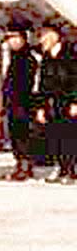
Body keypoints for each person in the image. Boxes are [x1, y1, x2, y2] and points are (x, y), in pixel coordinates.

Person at [37, 24, 77, 181]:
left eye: (44, 36)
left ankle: (70, 169)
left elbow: (75, 79)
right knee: (55, 136)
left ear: (54, 36)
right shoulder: (47, 58)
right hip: (52, 103)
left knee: (70, 136)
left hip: (67, 101)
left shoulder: (70, 54)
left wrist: (75, 101)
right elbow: (42, 84)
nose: (41, 40)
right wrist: (40, 106)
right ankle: (60, 168)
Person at [1, 22, 37, 180]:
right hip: (13, 103)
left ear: (23, 39)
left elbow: (28, 83)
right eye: (10, 39)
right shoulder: (15, 57)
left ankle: (25, 166)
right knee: (16, 135)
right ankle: (21, 164)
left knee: (23, 135)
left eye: (15, 38)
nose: (12, 42)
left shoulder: (28, 58)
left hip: (24, 103)